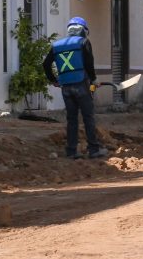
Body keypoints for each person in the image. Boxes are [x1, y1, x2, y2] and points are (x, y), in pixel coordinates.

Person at [42, 17, 107, 159]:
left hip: (65, 87)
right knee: (88, 117)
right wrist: (94, 79)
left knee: (72, 119)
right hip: (81, 84)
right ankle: (93, 150)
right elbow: (89, 63)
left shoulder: (56, 45)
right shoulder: (83, 42)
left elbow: (46, 64)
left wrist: (53, 80)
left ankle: (71, 151)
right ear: (83, 30)